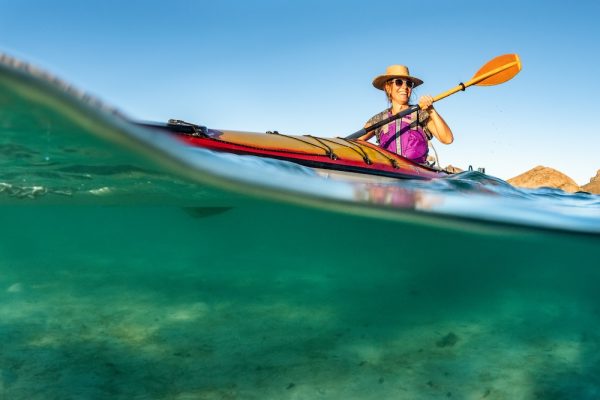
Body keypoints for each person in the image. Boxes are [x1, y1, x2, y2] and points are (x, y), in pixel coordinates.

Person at [359, 65, 453, 164]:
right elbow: (354, 142)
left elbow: (447, 139)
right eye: (399, 82)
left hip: (417, 175)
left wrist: (431, 110)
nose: (405, 87)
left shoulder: (421, 114)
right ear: (388, 87)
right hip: (388, 173)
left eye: (408, 84)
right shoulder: (379, 119)